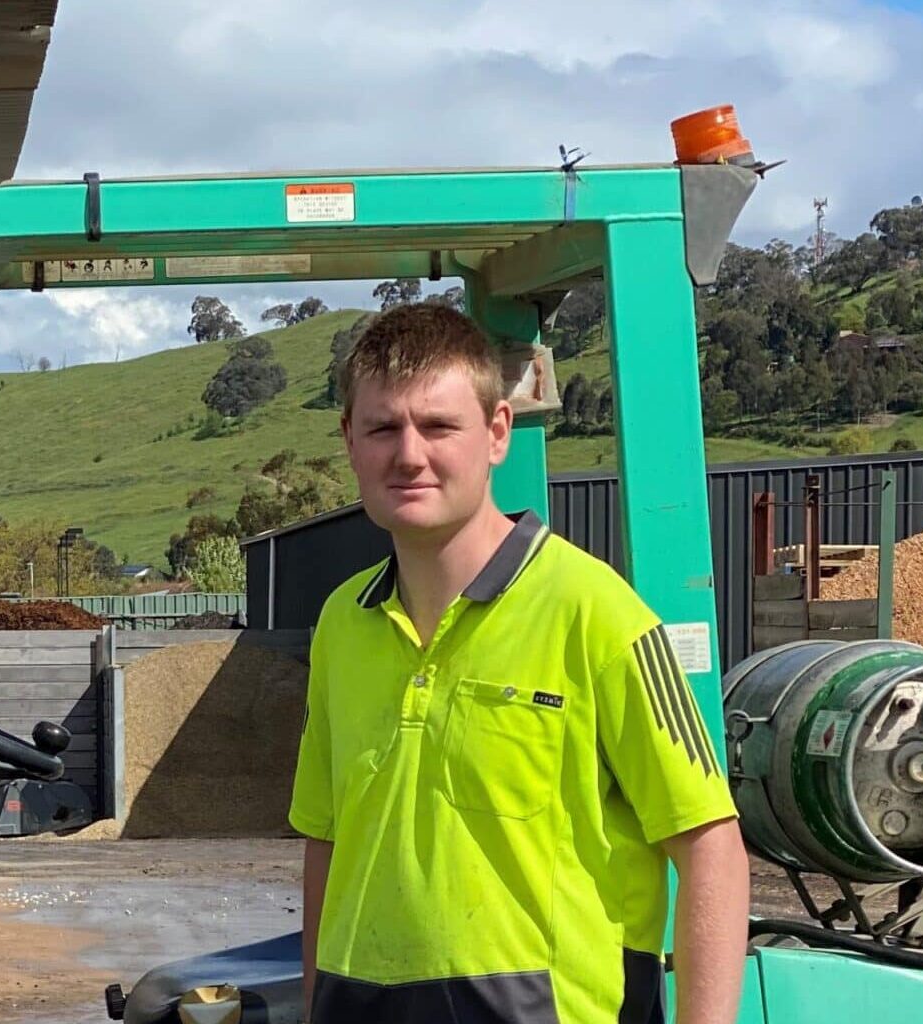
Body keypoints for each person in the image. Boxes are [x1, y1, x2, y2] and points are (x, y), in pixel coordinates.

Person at [290, 303, 748, 1024]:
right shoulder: (341, 625)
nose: (408, 455)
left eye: (438, 426)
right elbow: (327, 841)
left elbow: (711, 847)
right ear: (349, 439)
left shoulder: (598, 613)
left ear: (497, 432)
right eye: (383, 427)